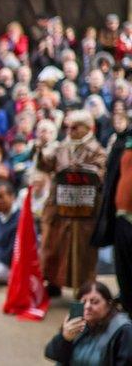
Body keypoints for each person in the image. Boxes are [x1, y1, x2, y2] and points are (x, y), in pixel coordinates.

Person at [38, 109, 108, 294]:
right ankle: (53, 283)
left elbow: (102, 173)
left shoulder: (97, 150)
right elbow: (46, 166)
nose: (70, 131)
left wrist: (84, 169)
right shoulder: (62, 147)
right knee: (54, 246)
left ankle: (83, 288)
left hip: (84, 210)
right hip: (59, 206)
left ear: (88, 128)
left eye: (75, 127)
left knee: (82, 251)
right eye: (68, 127)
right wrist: (40, 150)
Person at [45, 281, 132, 365]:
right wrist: (64, 338)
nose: (87, 306)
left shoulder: (123, 329)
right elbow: (51, 354)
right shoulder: (75, 323)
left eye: (94, 302)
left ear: (109, 304)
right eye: (83, 302)